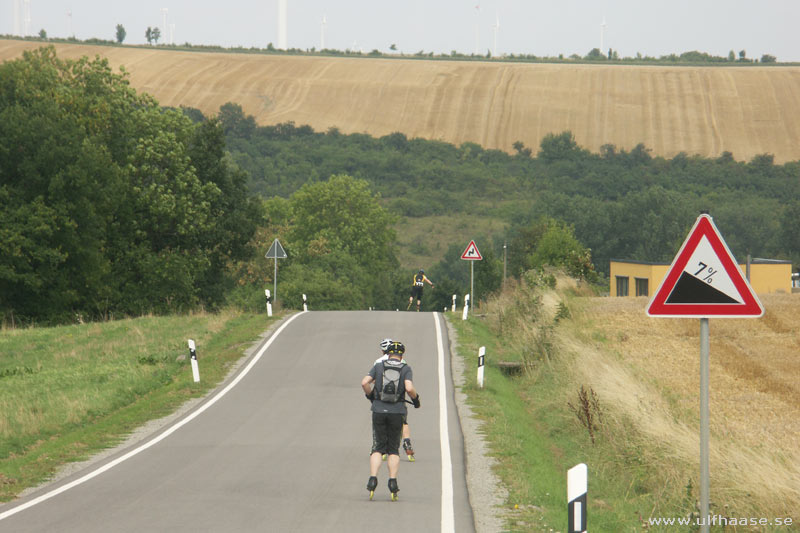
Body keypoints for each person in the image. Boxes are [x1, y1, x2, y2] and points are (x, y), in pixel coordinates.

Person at [361, 341, 421, 500]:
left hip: (378, 410)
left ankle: (372, 479)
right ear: (402, 355)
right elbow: (409, 388)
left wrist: (371, 396)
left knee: (377, 447)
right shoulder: (406, 369)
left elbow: (364, 382)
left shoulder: (379, 366)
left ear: (387, 353)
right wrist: (415, 400)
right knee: (393, 449)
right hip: (397, 411)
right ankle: (392, 482)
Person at [375, 339, 415, 461]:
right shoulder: (403, 363)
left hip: (381, 401)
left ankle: (380, 448)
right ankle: (407, 443)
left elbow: (369, 381)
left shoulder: (378, 363)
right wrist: (415, 399)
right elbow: (407, 384)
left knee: (381, 423)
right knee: (404, 423)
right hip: (398, 401)